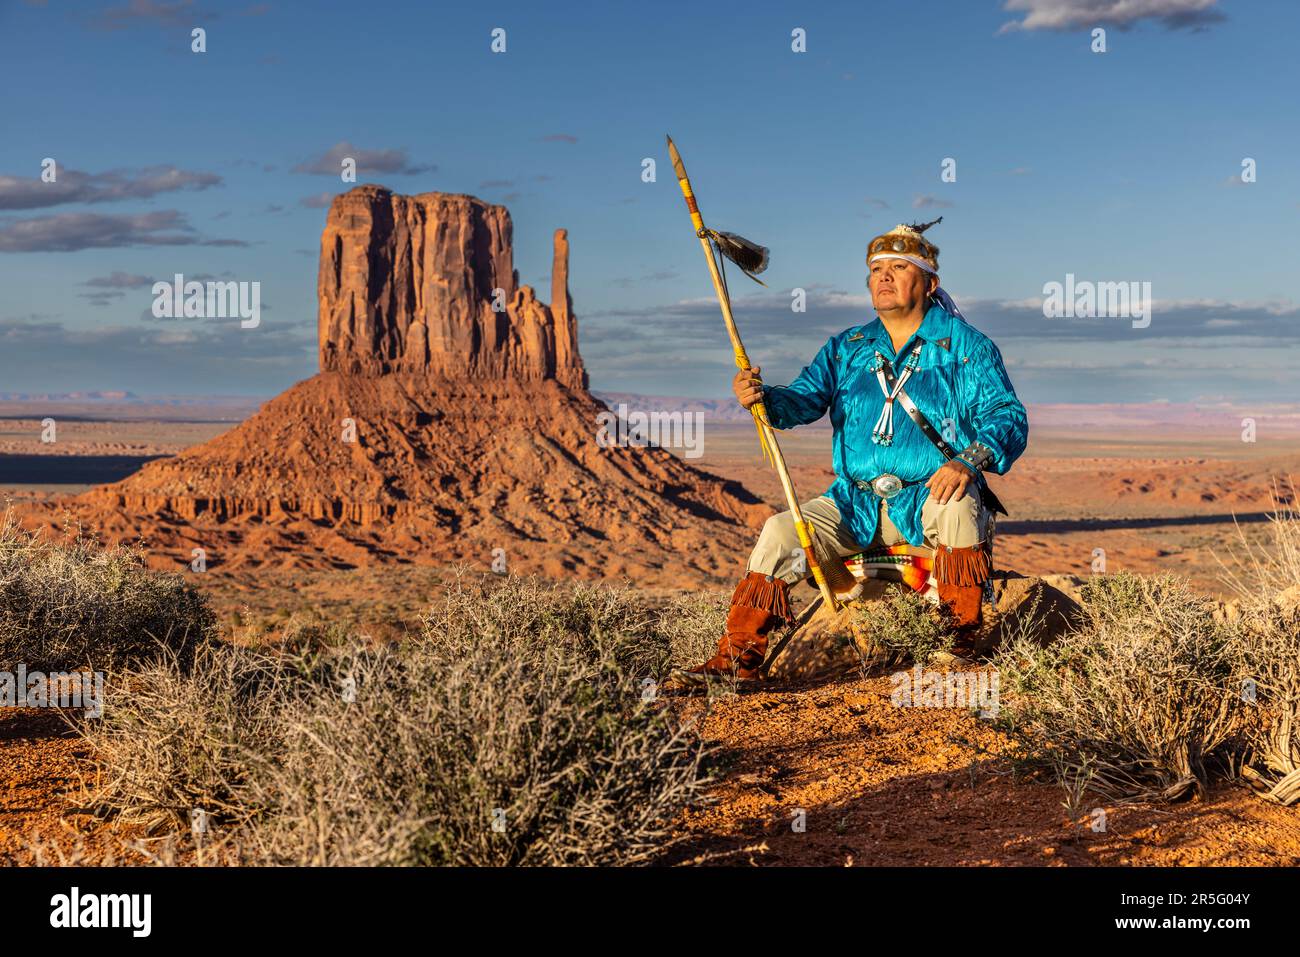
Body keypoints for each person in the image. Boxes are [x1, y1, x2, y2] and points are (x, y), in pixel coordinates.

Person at [679, 219, 1028, 684]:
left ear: (930, 283)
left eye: (899, 267)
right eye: (876, 268)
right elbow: (802, 400)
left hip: (927, 497)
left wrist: (967, 461)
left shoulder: (967, 347)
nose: (883, 275)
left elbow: (1008, 416)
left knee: (958, 506)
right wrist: (762, 397)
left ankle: (957, 644)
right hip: (854, 501)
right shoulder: (848, 348)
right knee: (781, 532)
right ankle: (737, 663)